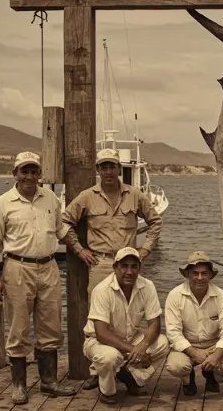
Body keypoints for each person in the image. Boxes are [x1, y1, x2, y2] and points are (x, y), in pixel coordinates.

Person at [62, 148, 163, 389]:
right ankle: (99, 372)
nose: (108, 171)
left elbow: (155, 221)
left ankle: (125, 368)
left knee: (129, 317)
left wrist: (145, 250)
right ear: (97, 170)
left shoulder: (135, 195)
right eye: (104, 166)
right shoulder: (87, 197)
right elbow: (64, 222)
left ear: (119, 169)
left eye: (112, 166)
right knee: (98, 320)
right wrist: (79, 250)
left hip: (128, 265)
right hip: (101, 263)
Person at [0, 151, 77, 405]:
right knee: (19, 328)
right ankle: (19, 386)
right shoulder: (3, 203)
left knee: (51, 326)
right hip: (17, 268)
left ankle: (49, 382)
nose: (29, 176)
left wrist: (80, 248)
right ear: (15, 174)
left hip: (48, 268)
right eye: (24, 171)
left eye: (33, 171)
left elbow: (61, 229)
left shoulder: (51, 199)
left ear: (39, 174)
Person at [82, 246, 170, 403]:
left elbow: (155, 323)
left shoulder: (148, 286)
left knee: (164, 343)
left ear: (139, 268)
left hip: (131, 338)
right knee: (110, 357)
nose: (129, 271)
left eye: (134, 266)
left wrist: (143, 345)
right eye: (124, 266)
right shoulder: (102, 290)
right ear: (115, 267)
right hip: (98, 341)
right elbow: (101, 333)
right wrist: (135, 351)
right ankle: (107, 391)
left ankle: (132, 377)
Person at [164, 251, 223, 395]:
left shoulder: (221, 295)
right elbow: (173, 333)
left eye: (204, 273)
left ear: (210, 275)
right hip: (187, 346)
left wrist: (216, 355)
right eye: (195, 273)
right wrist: (194, 353)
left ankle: (212, 377)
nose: (200, 278)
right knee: (175, 366)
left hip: (214, 345)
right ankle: (187, 379)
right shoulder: (174, 295)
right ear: (187, 274)